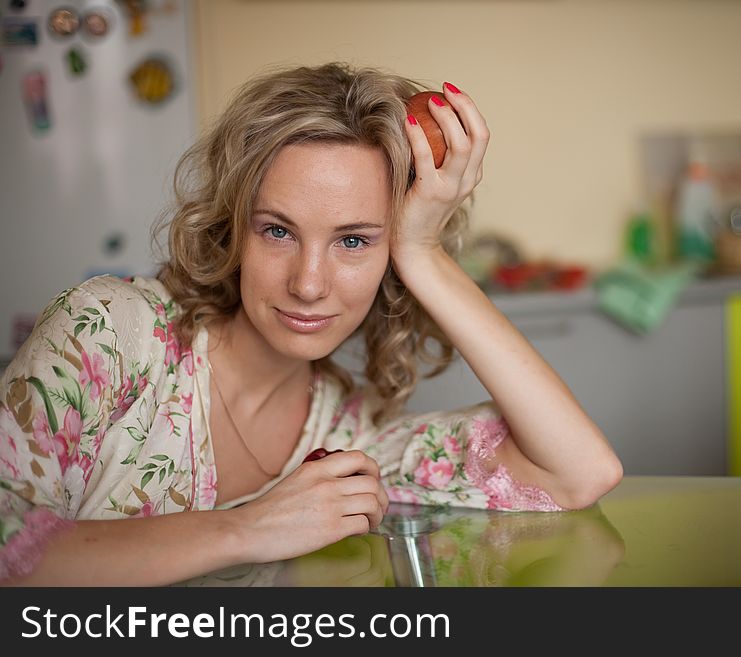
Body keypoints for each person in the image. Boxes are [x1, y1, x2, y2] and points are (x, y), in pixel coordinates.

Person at [0, 62, 622, 586]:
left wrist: (423, 254)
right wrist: (251, 527)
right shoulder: (109, 331)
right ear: (233, 229)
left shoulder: (349, 438)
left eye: (354, 240)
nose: (308, 282)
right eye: (277, 231)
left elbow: (577, 472)